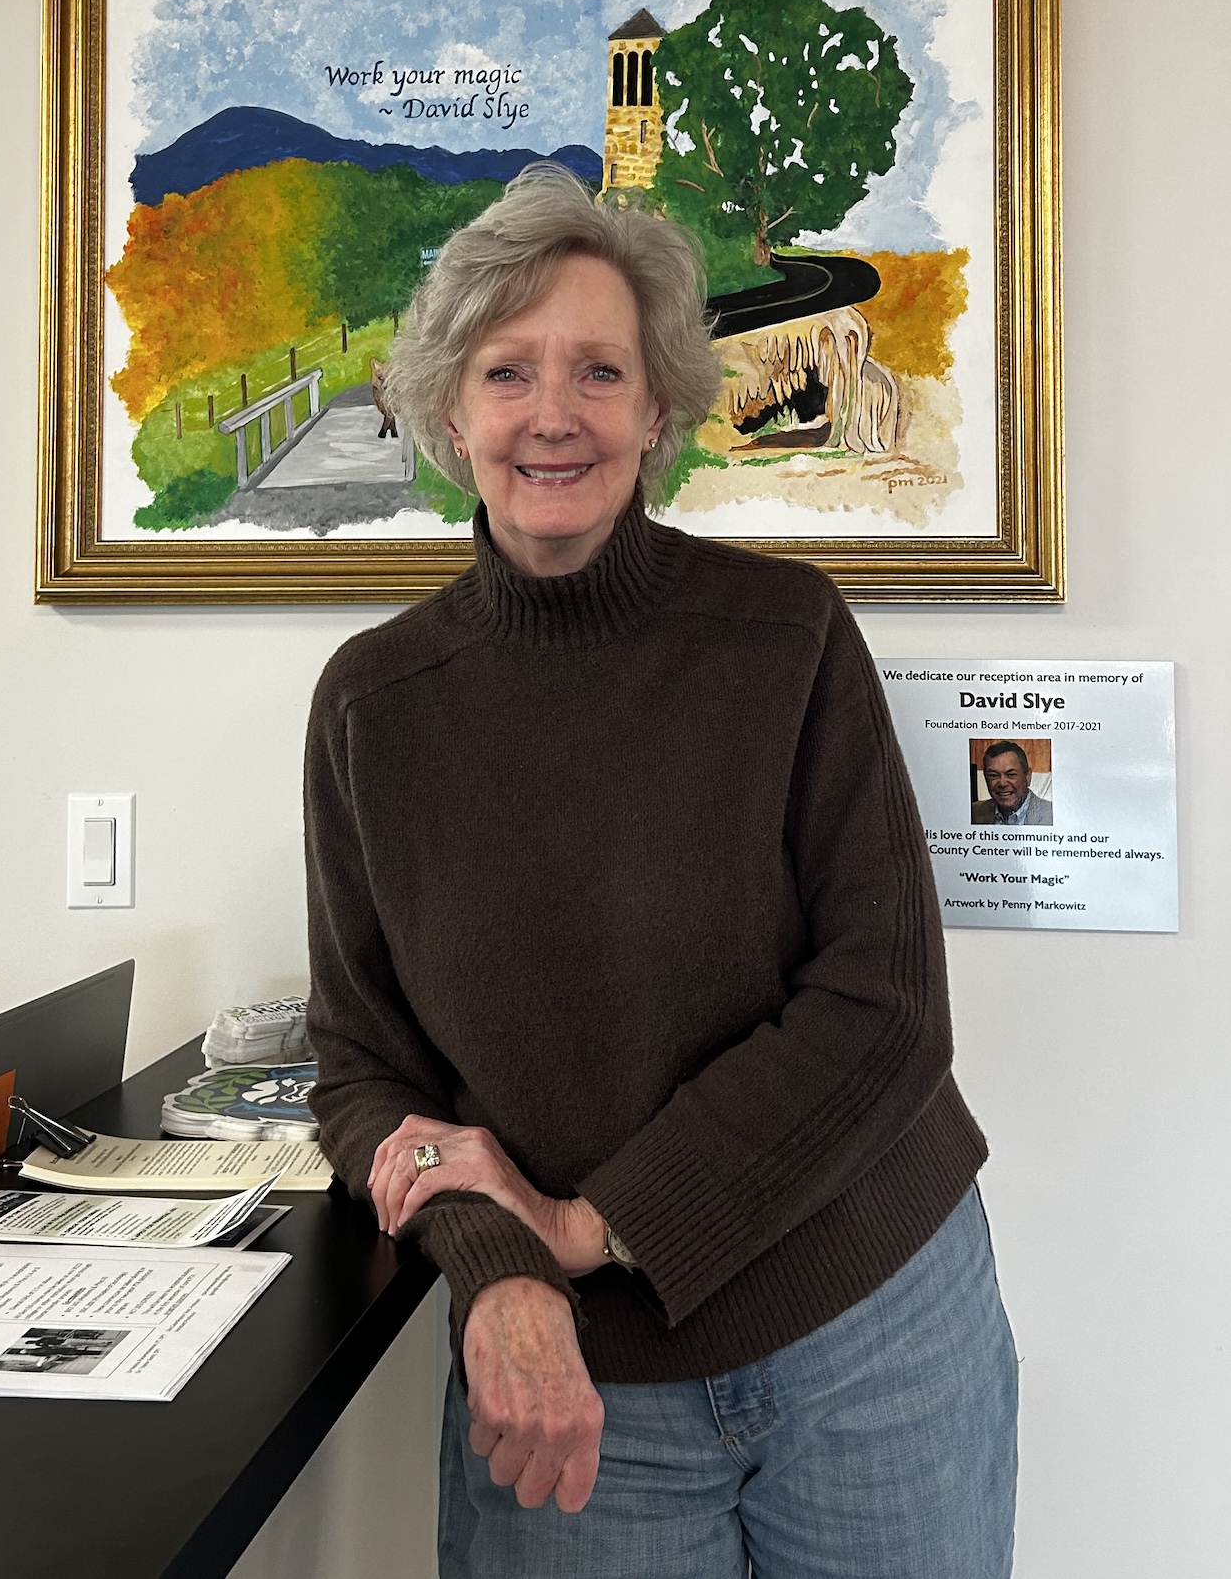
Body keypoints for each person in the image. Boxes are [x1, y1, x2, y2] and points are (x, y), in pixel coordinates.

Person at [304, 165, 1018, 1578]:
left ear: (656, 410)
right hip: (576, 1379)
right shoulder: (373, 706)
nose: (552, 412)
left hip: (869, 1323)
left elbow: (882, 1007)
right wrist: (503, 1268)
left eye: (599, 369)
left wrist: (588, 1225)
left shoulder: (786, 635)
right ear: (449, 412)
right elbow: (363, 1067)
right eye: (506, 370)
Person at [972, 741, 1054, 826]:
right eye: (993, 775)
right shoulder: (974, 813)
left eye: (1011, 775)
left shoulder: (1053, 815)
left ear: (1028, 776)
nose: (1002, 783)